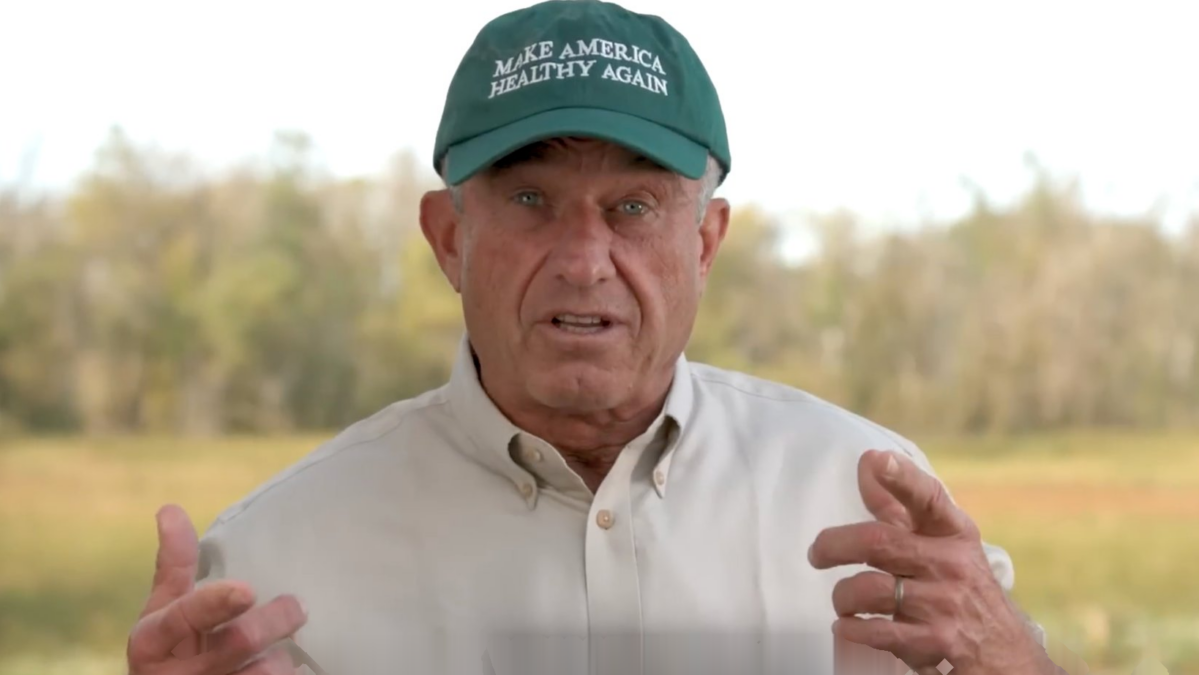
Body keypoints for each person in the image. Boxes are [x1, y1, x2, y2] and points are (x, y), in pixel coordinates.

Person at [125, 1, 1063, 674]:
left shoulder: (871, 503)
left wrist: (1015, 660)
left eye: (634, 206)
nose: (583, 260)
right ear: (449, 239)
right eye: (531, 199)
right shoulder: (270, 564)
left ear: (705, 242)